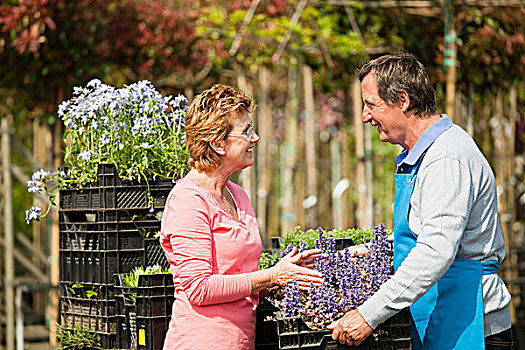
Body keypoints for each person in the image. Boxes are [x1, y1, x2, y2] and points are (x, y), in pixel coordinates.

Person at [328, 53, 512, 349]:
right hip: (445, 314)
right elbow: (427, 231)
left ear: (403, 100)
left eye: (371, 104)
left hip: (473, 322)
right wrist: (374, 250)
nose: (364, 116)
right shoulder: (425, 155)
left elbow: (436, 250)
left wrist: (368, 315)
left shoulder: (446, 158)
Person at [159, 84, 324, 350]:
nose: (255, 137)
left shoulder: (238, 195)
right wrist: (272, 276)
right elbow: (199, 288)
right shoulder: (188, 201)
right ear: (218, 144)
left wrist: (289, 271)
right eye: (246, 131)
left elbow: (238, 278)